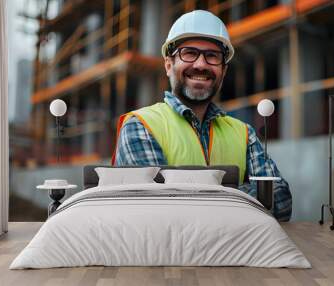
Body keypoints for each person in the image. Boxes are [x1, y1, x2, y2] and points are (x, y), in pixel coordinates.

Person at [112, 10, 292, 221]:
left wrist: (190, 194)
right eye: (189, 53)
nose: (201, 64)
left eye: (212, 56)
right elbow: (159, 209)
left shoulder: (244, 134)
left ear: (223, 72)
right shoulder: (141, 126)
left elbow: (281, 202)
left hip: (235, 254)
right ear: (169, 65)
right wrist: (242, 192)